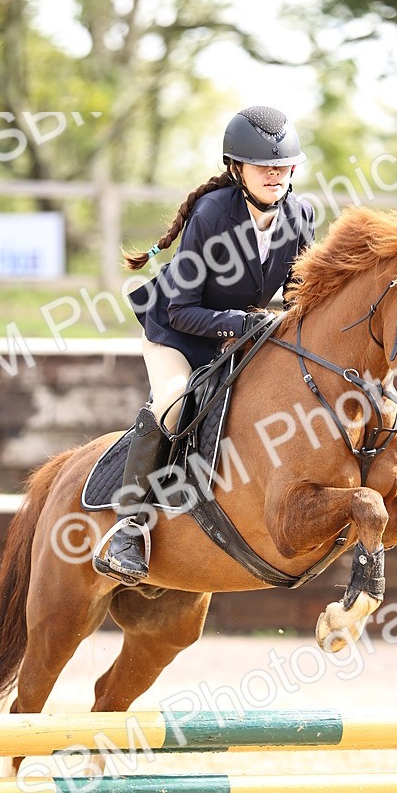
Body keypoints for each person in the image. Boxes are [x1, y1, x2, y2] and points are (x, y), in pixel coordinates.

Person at [94, 105, 315, 585]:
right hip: (177, 334)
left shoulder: (301, 215)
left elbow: (299, 297)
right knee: (174, 405)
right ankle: (128, 527)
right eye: (262, 166)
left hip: (239, 336)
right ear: (237, 169)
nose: (275, 175)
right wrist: (245, 322)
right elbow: (181, 310)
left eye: (282, 166)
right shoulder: (212, 213)